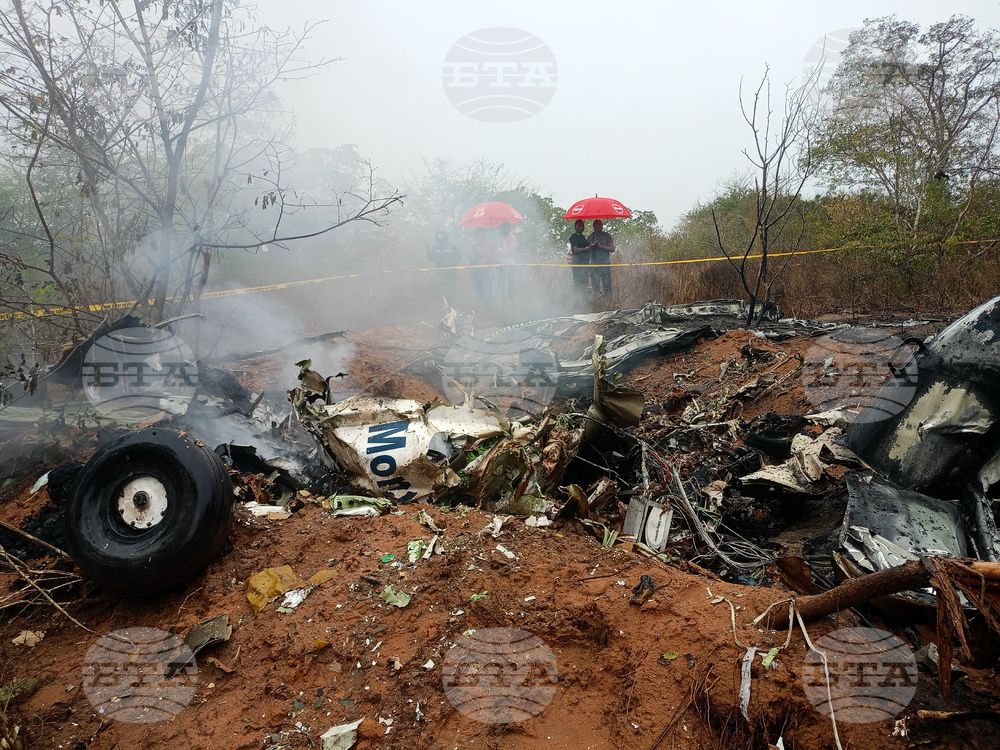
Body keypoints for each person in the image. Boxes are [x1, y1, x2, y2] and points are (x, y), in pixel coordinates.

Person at [426, 229, 461, 306]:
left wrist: (452, 263)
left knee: (450, 291)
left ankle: (451, 308)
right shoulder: (434, 247)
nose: (440, 237)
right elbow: (431, 259)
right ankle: (441, 308)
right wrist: (429, 252)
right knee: (437, 289)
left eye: (442, 235)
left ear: (445, 236)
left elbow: (458, 257)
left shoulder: (452, 245)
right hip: (438, 273)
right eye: (439, 236)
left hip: (450, 273)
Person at [588, 219, 615, 298]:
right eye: (597, 225)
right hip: (593, 265)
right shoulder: (590, 237)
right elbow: (587, 250)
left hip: (605, 264)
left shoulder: (607, 236)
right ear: (593, 226)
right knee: (595, 287)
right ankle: (597, 304)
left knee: (607, 286)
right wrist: (592, 246)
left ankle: (609, 304)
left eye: (600, 225)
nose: (599, 226)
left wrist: (600, 246)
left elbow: (612, 249)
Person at [469, 226, 495, 307]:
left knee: (486, 292)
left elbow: (493, 257)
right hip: (476, 272)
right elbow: (471, 257)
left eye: (477, 233)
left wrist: (483, 259)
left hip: (485, 271)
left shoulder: (489, 244)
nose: (476, 236)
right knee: (477, 292)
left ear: (482, 234)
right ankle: (481, 311)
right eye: (475, 234)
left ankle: (489, 310)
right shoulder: (474, 245)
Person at [567, 219, 592, 300]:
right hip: (578, 264)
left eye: (583, 226)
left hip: (585, 263)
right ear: (575, 227)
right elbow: (575, 249)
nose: (581, 228)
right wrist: (585, 249)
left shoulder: (582, 237)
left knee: (585, 283)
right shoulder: (573, 237)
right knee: (578, 283)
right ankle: (576, 301)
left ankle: (584, 301)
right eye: (579, 226)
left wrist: (589, 246)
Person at [496, 221, 518, 300]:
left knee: (509, 287)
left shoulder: (512, 238)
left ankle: (511, 304)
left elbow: (510, 251)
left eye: (501, 229)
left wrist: (498, 249)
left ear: (506, 228)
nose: (500, 231)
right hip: (502, 266)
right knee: (502, 286)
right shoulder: (503, 239)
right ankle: (504, 304)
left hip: (509, 266)